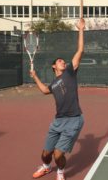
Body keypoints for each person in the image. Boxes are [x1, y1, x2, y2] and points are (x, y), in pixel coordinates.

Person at [30, 18, 85, 180]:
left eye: (64, 61)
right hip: (58, 121)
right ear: (54, 66)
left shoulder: (69, 72)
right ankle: (46, 168)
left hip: (74, 120)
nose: (63, 62)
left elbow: (80, 51)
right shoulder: (54, 83)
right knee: (46, 153)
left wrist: (81, 29)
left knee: (57, 154)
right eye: (60, 61)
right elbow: (45, 91)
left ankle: (60, 172)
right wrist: (34, 77)